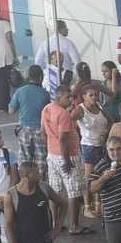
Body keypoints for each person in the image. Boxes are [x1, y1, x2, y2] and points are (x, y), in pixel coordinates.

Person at [40, 87, 88, 234]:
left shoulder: (47, 109)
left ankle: (56, 223)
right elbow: (63, 139)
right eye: (67, 97)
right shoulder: (63, 114)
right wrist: (66, 160)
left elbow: (43, 132)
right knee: (74, 190)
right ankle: (74, 225)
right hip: (68, 155)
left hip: (52, 155)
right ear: (59, 98)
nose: (71, 100)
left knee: (55, 190)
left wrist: (50, 148)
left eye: (71, 97)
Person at [75, 85, 113, 217]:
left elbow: (111, 121)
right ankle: (86, 206)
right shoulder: (80, 109)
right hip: (89, 146)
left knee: (100, 175)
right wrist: (78, 134)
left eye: (96, 94)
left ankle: (98, 204)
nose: (94, 97)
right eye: (90, 95)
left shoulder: (99, 106)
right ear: (84, 96)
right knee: (88, 177)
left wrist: (106, 132)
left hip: (101, 145)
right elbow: (68, 122)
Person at [9, 66, 51, 167]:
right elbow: (48, 114)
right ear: (41, 77)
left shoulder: (20, 91)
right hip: (40, 130)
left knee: (24, 158)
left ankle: (25, 180)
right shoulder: (45, 94)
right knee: (41, 158)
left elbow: (11, 111)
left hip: (24, 129)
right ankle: (40, 180)